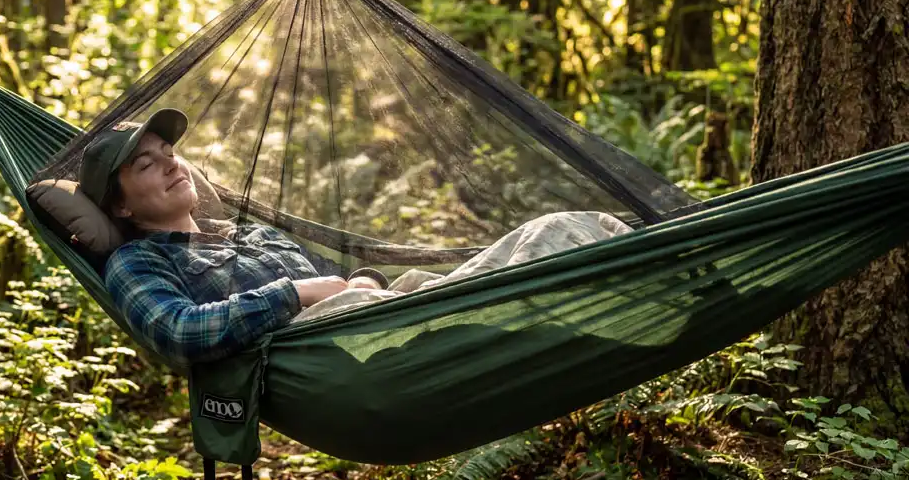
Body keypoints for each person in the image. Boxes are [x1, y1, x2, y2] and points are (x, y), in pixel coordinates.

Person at [81, 108, 630, 366]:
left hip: (381, 311)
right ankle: (659, 295)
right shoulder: (137, 263)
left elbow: (339, 273)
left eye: (171, 154)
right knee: (554, 243)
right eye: (148, 165)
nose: (172, 166)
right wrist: (299, 294)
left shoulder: (249, 233)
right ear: (123, 203)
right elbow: (179, 333)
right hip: (335, 349)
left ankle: (663, 274)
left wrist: (361, 280)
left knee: (561, 229)